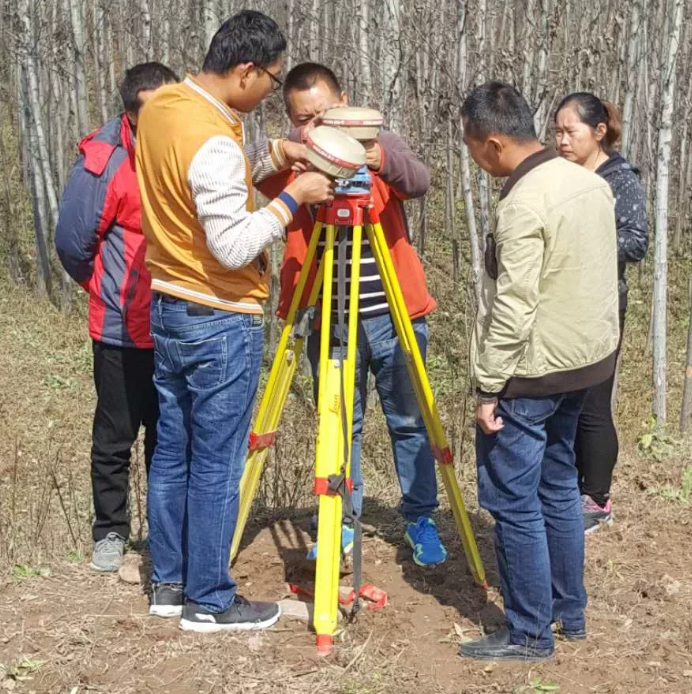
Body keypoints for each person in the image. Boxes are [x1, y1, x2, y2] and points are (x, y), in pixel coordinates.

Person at [135, 12, 334, 632]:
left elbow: (200, 181)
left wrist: (275, 153)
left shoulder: (166, 105)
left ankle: (169, 584)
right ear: (245, 70)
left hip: (169, 304)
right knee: (217, 461)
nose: (270, 92)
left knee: (173, 452)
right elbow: (231, 242)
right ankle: (210, 600)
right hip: (220, 315)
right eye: (271, 81)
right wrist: (294, 196)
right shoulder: (215, 139)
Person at [258, 63, 447, 567]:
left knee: (409, 421)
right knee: (341, 424)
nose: (317, 124)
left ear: (344, 99)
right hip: (327, 317)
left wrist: (376, 155)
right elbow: (249, 172)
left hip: (393, 312)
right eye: (304, 118)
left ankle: (420, 517)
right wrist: (289, 156)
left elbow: (419, 180)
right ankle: (340, 522)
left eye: (324, 112)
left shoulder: (379, 142)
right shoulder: (295, 159)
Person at [459, 82, 620, 661]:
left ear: (494, 143)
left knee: (512, 501)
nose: (476, 161)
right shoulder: (589, 182)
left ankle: (528, 633)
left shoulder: (523, 202)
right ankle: (567, 611)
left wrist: (489, 385)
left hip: (531, 374)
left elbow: (514, 304)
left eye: (475, 149)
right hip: (583, 364)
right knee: (558, 488)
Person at [55, 62, 180, 573]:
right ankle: (110, 531)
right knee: (115, 435)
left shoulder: (184, 144)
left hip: (178, 321)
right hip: (120, 327)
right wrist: (106, 290)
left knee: (169, 436)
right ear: (130, 114)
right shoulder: (103, 162)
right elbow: (72, 244)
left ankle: (165, 534)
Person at [554, 93, 649, 533]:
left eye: (570, 132)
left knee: (592, 401)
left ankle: (596, 497)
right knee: (564, 399)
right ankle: (567, 485)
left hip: (603, 304)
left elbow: (636, 242)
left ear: (598, 133)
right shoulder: (561, 176)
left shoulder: (619, 178)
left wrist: (584, 237)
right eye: (556, 131)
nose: (561, 140)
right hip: (562, 303)